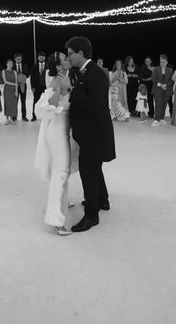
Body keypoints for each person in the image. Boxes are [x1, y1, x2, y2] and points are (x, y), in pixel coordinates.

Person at [65, 36, 116, 233]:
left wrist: (71, 91)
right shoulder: (85, 72)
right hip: (90, 133)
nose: (69, 57)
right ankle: (102, 200)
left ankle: (91, 216)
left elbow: (94, 104)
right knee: (95, 169)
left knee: (88, 171)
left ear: (80, 53)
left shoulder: (95, 74)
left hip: (94, 134)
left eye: (70, 54)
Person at [34, 51, 79, 236]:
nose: (69, 59)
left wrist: (68, 89)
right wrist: (62, 89)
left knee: (63, 171)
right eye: (65, 58)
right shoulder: (57, 81)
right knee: (60, 172)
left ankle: (60, 203)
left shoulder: (64, 78)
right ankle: (56, 221)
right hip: (57, 132)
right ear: (59, 66)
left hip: (64, 131)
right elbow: (48, 104)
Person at [151, 54, 174, 126]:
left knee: (164, 104)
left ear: (167, 62)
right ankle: (156, 120)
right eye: (161, 62)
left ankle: (161, 118)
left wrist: (166, 85)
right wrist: (161, 85)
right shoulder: (156, 69)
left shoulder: (170, 70)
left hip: (167, 89)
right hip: (157, 89)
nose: (162, 63)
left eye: (164, 62)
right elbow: (153, 79)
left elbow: (172, 80)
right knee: (158, 104)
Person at [30, 52, 47, 122]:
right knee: (35, 101)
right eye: (40, 57)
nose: (41, 58)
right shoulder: (34, 66)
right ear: (38, 58)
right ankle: (34, 115)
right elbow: (32, 77)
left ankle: (45, 116)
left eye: (42, 57)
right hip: (37, 87)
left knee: (46, 102)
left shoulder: (48, 66)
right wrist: (32, 87)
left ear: (44, 58)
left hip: (46, 87)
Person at [14, 53, 30, 121]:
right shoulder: (13, 66)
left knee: (23, 101)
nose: (19, 60)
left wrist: (22, 77)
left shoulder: (25, 65)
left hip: (23, 85)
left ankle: (24, 116)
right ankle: (14, 116)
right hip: (15, 86)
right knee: (15, 102)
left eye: (20, 59)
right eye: (18, 59)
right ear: (15, 59)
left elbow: (28, 74)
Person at [2, 58, 18, 125]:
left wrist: (16, 91)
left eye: (11, 63)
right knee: (7, 104)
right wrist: (14, 84)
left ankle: (11, 119)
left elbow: (16, 82)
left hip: (13, 90)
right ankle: (7, 119)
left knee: (13, 105)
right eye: (9, 63)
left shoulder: (14, 71)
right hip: (7, 90)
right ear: (6, 64)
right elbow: (5, 81)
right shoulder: (3, 71)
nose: (10, 65)